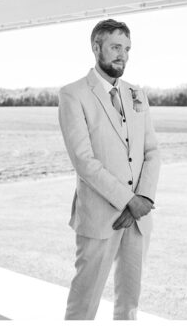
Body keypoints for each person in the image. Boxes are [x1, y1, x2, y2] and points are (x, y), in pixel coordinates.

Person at [59, 19, 161, 320]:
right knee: (84, 301)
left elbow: (152, 151)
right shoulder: (73, 94)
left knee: (129, 303)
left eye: (127, 49)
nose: (123, 55)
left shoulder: (137, 94)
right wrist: (129, 201)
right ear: (96, 47)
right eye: (116, 47)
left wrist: (143, 199)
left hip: (139, 217)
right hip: (99, 216)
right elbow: (84, 161)